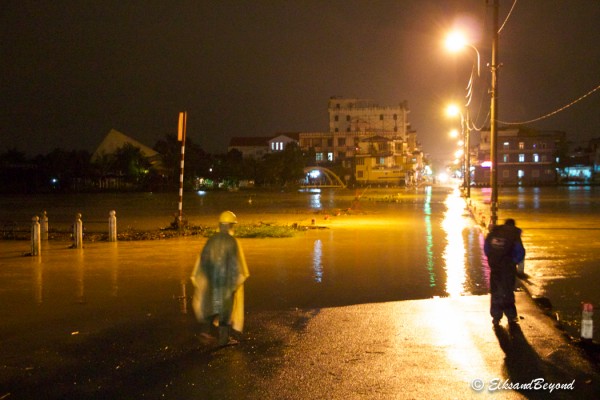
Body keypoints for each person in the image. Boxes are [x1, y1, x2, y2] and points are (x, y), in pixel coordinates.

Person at [191, 211, 250, 346]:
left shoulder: (211, 240)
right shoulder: (233, 242)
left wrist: (202, 280)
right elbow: (239, 267)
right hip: (226, 285)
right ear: (231, 226)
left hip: (212, 283)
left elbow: (202, 262)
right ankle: (223, 341)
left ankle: (205, 331)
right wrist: (235, 285)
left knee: (212, 306)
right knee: (225, 312)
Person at [484, 218, 525, 326]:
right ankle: (511, 316)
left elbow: (486, 248)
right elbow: (520, 252)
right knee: (507, 292)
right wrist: (513, 262)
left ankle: (496, 317)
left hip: (495, 267)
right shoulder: (513, 235)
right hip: (508, 268)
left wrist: (493, 260)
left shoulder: (494, 233)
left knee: (495, 291)